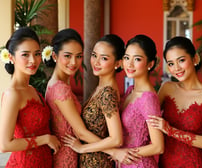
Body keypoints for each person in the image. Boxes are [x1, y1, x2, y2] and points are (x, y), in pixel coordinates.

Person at [147, 36, 202, 168]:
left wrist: (170, 130)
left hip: (194, 164)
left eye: (181, 60)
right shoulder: (167, 88)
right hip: (165, 163)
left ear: (195, 58)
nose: (176, 68)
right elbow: (147, 118)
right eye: (170, 64)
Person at [44, 28, 113, 168]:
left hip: (70, 152)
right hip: (66, 156)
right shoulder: (60, 88)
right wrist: (114, 152)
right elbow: (81, 132)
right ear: (55, 56)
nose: (74, 62)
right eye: (68, 56)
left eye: (79, 56)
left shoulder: (57, 83)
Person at [0, 27, 60, 168]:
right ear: (11, 57)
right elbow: (5, 145)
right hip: (25, 163)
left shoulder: (32, 89)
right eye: (25, 54)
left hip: (44, 162)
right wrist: (45, 139)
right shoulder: (12, 94)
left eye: (37, 53)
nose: (33, 60)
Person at [62, 34, 124, 168]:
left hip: (98, 163)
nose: (96, 62)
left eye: (104, 58)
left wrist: (82, 148)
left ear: (118, 63)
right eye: (94, 55)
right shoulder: (101, 88)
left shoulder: (107, 93)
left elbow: (116, 138)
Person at [112, 34, 164, 168]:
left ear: (150, 64)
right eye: (126, 57)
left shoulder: (148, 98)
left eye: (137, 59)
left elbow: (158, 146)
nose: (129, 64)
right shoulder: (130, 90)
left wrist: (123, 153)